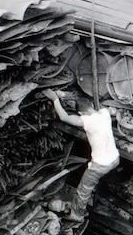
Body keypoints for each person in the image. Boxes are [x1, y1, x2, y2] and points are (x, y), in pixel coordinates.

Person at [44, 89, 119, 222]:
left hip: (101, 165)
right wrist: (64, 95)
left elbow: (64, 117)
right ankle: (94, 187)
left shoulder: (87, 121)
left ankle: (77, 215)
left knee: (83, 189)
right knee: (93, 180)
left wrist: (55, 99)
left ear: (81, 113)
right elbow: (107, 109)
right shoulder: (104, 113)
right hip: (115, 158)